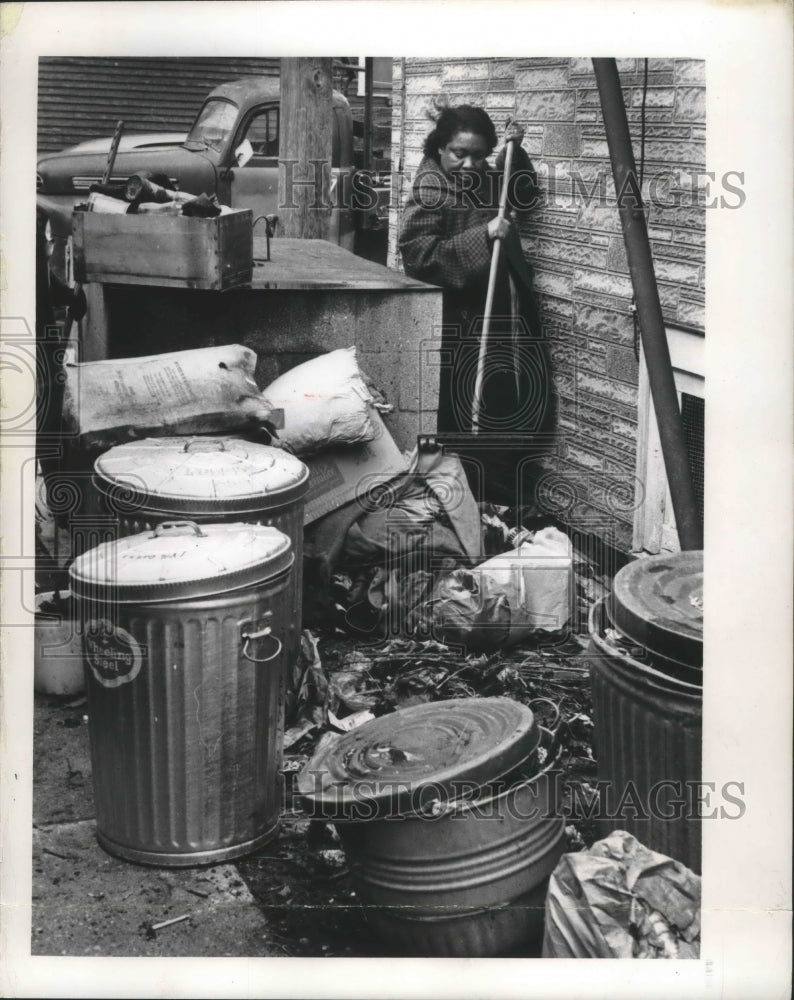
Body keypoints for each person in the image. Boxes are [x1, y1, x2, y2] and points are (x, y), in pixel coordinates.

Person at [398, 104, 552, 505]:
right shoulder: (429, 190)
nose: (470, 164)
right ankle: (471, 503)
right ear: (438, 148)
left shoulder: (481, 175)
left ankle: (502, 503)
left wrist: (514, 154)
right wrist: (483, 234)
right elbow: (419, 257)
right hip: (459, 321)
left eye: (480, 155)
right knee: (470, 411)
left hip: (501, 314)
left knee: (505, 402)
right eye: (458, 153)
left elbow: (522, 193)